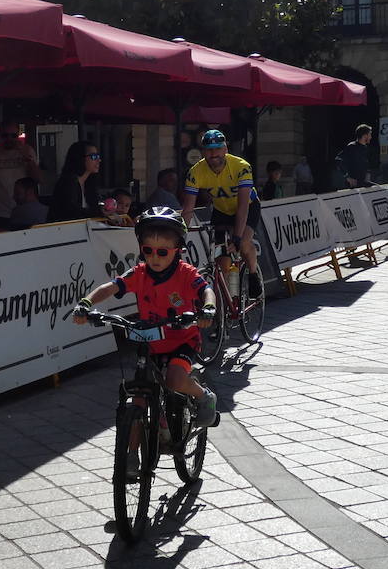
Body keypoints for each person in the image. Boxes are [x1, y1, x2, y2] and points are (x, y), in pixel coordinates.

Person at [73, 207, 219, 469]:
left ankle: (204, 396)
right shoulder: (139, 273)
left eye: (163, 252)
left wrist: (208, 308)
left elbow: (206, 290)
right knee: (138, 396)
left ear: (178, 250)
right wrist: (86, 303)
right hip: (149, 342)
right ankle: (130, 457)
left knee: (174, 379)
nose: (154, 257)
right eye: (147, 250)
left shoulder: (186, 274)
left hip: (182, 340)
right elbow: (111, 287)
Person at [181, 129, 264, 298]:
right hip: (221, 210)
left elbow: (242, 206)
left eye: (218, 148)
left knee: (244, 243)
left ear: (225, 149)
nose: (214, 154)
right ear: (203, 152)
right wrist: (180, 237)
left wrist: (238, 237)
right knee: (222, 261)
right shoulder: (195, 172)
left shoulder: (241, 167)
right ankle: (224, 304)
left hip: (248, 206)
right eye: (209, 150)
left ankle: (253, 274)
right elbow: (188, 209)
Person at [0, 121, 40, 230]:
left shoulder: (27, 150)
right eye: (5, 136)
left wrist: (26, 157)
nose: (9, 139)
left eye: (13, 136)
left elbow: (37, 179)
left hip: (24, 208)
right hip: (0, 211)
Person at [49, 141, 103, 222]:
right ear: (80, 158)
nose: (99, 160)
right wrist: (99, 212)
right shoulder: (68, 183)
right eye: (94, 157)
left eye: (98, 156)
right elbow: (71, 212)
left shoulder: (89, 184)